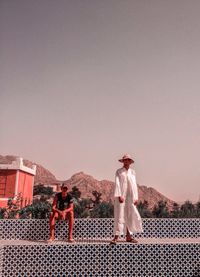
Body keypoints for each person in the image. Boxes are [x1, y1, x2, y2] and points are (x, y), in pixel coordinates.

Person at [110, 154, 143, 244]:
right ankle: (116, 237)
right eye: (125, 160)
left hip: (130, 197)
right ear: (123, 161)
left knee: (130, 215)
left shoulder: (132, 172)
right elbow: (117, 183)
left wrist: (136, 197)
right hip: (122, 196)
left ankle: (129, 237)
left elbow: (134, 185)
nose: (126, 161)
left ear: (130, 162)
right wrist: (119, 195)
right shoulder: (119, 171)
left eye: (128, 160)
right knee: (120, 215)